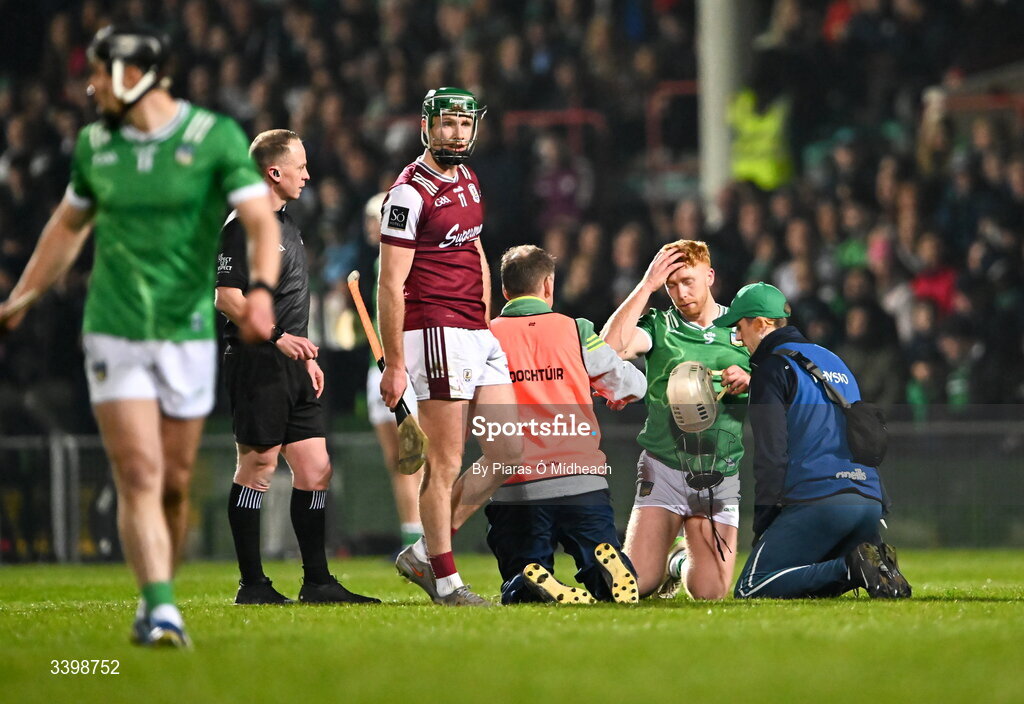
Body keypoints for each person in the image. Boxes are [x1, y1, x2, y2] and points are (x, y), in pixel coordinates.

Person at [0, 26, 281, 646]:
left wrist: (259, 292)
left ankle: (159, 595)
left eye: (98, 73)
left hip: (184, 331)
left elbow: (260, 220)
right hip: (113, 327)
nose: (90, 85)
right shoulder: (95, 145)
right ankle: (160, 608)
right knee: (138, 470)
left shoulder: (214, 138)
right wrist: (23, 296)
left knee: (175, 484)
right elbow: (67, 229)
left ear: (131, 74)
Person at [216, 129, 379, 606]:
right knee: (259, 465)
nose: (308, 174)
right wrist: (277, 339)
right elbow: (227, 297)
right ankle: (252, 585)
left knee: (316, 467)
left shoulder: (287, 224)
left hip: (290, 366)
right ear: (274, 171)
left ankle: (317, 581)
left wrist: (302, 356)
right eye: (300, 166)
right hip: (256, 363)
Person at [378, 87, 520, 606]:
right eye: (446, 124)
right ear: (426, 126)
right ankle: (445, 580)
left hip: (476, 330)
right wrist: (395, 363)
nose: (456, 133)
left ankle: (422, 552)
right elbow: (390, 284)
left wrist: (484, 315)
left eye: (464, 124)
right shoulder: (408, 194)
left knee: (507, 451)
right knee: (446, 463)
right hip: (435, 329)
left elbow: (475, 246)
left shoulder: (468, 177)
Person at [716, 283, 911, 599]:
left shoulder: (770, 367)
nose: (739, 338)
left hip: (821, 501)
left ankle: (852, 567)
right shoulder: (833, 360)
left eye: (739, 327)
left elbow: (771, 455)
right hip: (868, 502)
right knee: (808, 582)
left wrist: (764, 522)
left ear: (761, 324)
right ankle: (875, 562)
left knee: (752, 586)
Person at [486, 245, 647, 605]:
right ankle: (607, 568)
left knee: (521, 573)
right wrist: (609, 391)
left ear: (505, 291)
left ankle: (529, 584)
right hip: (582, 480)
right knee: (600, 564)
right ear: (548, 285)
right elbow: (633, 385)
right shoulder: (576, 331)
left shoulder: (486, 337)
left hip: (517, 485)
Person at [602, 240, 750, 600]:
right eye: (671, 285)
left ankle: (681, 560)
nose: (681, 293)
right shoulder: (659, 325)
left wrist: (752, 379)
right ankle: (666, 565)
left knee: (709, 593)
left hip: (719, 472)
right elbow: (608, 349)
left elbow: (780, 378)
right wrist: (646, 286)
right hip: (664, 469)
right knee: (634, 587)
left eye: (688, 281)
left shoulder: (741, 329)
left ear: (709, 276)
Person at [363, 191, 422, 552]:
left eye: (374, 219)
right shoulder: (377, 263)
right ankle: (410, 535)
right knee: (396, 461)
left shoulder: (403, 261)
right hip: (376, 367)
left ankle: (421, 537)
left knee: (412, 457)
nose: (370, 227)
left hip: (401, 367)